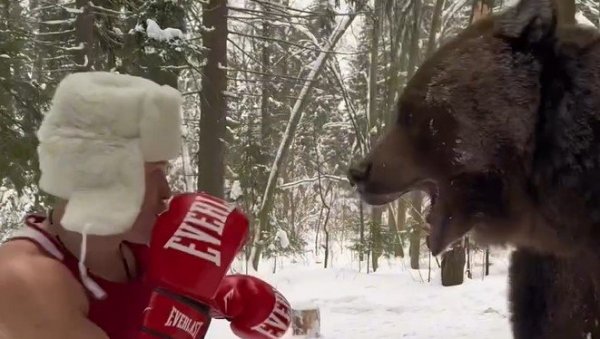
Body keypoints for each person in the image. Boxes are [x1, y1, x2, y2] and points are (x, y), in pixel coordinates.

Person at [0, 72, 293, 339]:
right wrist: (182, 312)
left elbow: (143, 301)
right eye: (154, 173)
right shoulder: (24, 281)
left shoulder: (133, 253)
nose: (167, 191)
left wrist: (214, 293)